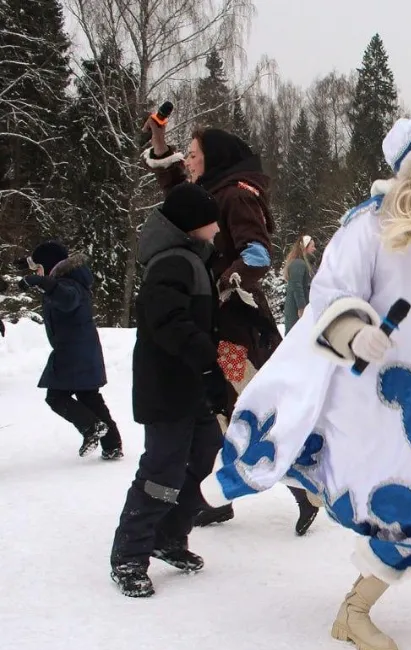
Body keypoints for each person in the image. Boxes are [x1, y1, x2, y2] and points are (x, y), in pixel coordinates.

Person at [196, 113, 411, 650]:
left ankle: (356, 608)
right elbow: (330, 293)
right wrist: (355, 330)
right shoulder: (370, 226)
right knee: (406, 508)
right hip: (380, 402)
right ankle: (355, 612)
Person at [141, 119, 314, 533]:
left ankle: (305, 490)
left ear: (212, 158)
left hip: (236, 334)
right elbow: (178, 195)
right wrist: (160, 147)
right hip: (210, 329)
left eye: (194, 154)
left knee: (251, 410)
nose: (190, 161)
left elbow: (257, 254)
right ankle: (209, 500)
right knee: (214, 413)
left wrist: (221, 285)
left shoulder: (236, 197)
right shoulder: (209, 194)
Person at [109, 183, 229, 597]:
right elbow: (170, 323)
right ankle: (129, 554)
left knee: (203, 451)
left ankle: (169, 536)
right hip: (167, 390)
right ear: (195, 224)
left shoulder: (192, 259)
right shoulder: (172, 264)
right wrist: (209, 364)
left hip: (190, 387)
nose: (218, 229)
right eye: (213, 221)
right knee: (162, 471)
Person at [17, 240, 122, 460]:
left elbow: (67, 300)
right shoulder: (68, 280)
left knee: (56, 396)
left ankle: (91, 427)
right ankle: (112, 445)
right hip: (81, 349)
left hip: (73, 351)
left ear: (49, 265)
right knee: (89, 396)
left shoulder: (68, 284)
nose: (37, 272)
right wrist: (30, 269)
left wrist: (43, 281)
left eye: (39, 267)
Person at [283, 235, 317, 333]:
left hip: (305, 308)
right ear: (304, 247)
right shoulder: (298, 263)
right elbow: (297, 287)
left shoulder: (308, 264)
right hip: (296, 310)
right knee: (294, 336)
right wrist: (301, 308)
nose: (314, 249)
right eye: (312, 246)